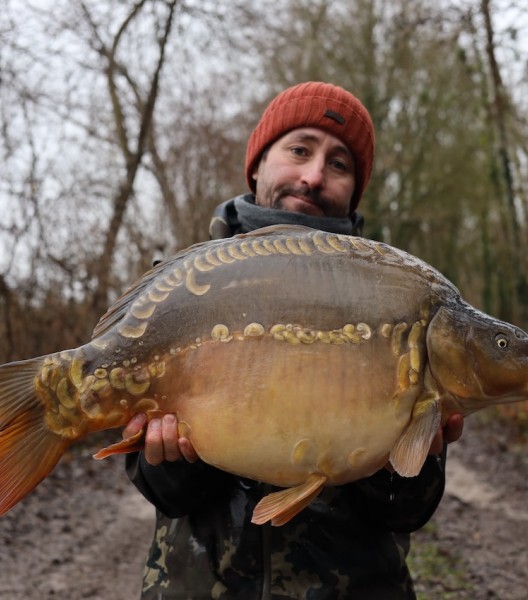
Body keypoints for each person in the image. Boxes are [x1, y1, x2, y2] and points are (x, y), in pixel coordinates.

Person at [123, 81, 465, 599]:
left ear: (354, 190)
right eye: (300, 150)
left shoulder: (395, 298)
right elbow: (167, 496)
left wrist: (399, 458)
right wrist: (169, 459)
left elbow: (406, 511)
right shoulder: (183, 286)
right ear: (257, 164)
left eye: (339, 165)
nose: (312, 177)